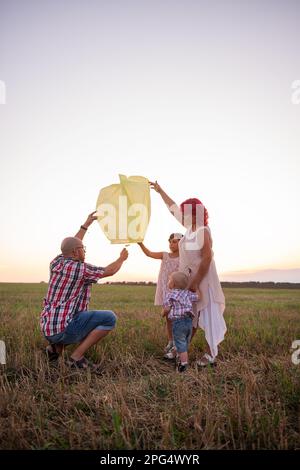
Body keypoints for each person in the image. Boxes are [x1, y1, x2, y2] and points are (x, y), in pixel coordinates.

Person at [150, 181, 226, 367]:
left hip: (203, 279)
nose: (182, 214)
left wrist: (195, 282)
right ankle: (180, 348)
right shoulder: (188, 230)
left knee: (207, 314)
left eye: (185, 211)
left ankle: (210, 354)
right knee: (188, 315)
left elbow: (207, 257)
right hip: (187, 280)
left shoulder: (202, 230)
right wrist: (161, 191)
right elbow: (172, 208)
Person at [40, 211, 128, 369]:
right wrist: (121, 258)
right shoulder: (79, 269)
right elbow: (110, 271)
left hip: (47, 326)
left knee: (78, 315)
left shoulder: (56, 262)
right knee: (109, 318)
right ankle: (76, 357)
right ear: (75, 252)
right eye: (83, 249)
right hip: (62, 329)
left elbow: (73, 243)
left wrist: (86, 225)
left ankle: (54, 349)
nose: (85, 251)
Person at [137, 233, 183, 357]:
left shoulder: (184, 257)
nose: (171, 244)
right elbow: (149, 253)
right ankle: (170, 340)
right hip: (166, 290)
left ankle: (178, 343)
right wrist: (140, 243)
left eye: (175, 241)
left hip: (178, 292)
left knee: (177, 318)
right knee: (168, 318)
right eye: (170, 241)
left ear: (182, 243)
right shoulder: (165, 255)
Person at [162, 271, 199, 372]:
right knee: (185, 342)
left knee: (179, 343)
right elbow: (198, 297)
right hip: (189, 322)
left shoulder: (170, 295)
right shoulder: (187, 293)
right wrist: (197, 288)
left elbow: (167, 309)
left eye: (170, 280)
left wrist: (163, 314)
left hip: (178, 322)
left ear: (173, 284)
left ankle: (183, 364)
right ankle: (180, 358)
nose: (168, 282)